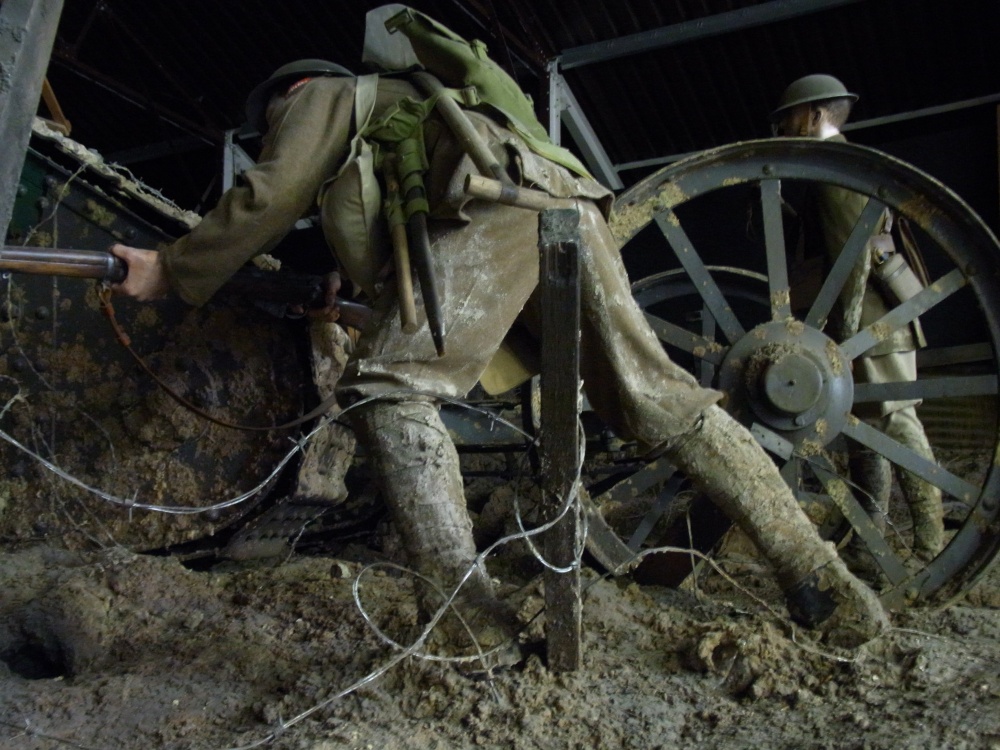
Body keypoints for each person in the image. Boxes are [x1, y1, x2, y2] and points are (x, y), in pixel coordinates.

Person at [110, 11, 888, 650]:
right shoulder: (407, 115)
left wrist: (171, 269)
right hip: (564, 204)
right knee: (658, 399)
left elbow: (270, 193)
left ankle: (469, 631)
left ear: (291, 93)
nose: (276, 127)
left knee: (388, 391)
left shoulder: (320, 97)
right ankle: (819, 578)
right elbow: (411, 250)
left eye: (274, 117)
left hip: (497, 201)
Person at [770, 74, 944, 563]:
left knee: (897, 421)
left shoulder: (836, 169)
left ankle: (931, 544)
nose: (784, 128)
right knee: (866, 430)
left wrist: (845, 340)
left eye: (789, 118)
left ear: (814, 115)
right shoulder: (837, 166)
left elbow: (855, 256)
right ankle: (872, 545)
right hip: (872, 324)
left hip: (871, 324)